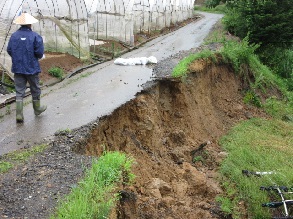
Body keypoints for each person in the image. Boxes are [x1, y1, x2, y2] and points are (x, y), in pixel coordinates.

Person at [7, 12, 47, 123]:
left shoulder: (14, 36)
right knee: (35, 88)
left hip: (18, 68)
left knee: (19, 91)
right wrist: (40, 56)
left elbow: (9, 50)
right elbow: (39, 52)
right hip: (32, 68)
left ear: (20, 24)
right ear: (30, 24)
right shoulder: (35, 36)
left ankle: (19, 115)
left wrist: (17, 57)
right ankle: (37, 109)